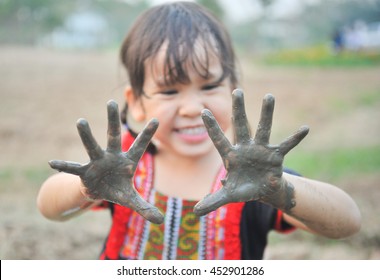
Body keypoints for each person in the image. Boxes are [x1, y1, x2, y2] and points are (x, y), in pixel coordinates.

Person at [37, 1, 361, 260]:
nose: (192, 107)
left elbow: (347, 221)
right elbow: (51, 209)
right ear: (135, 102)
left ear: (233, 88)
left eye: (209, 85)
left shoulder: (255, 179)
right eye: (169, 91)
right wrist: (86, 188)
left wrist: (282, 191)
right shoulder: (122, 169)